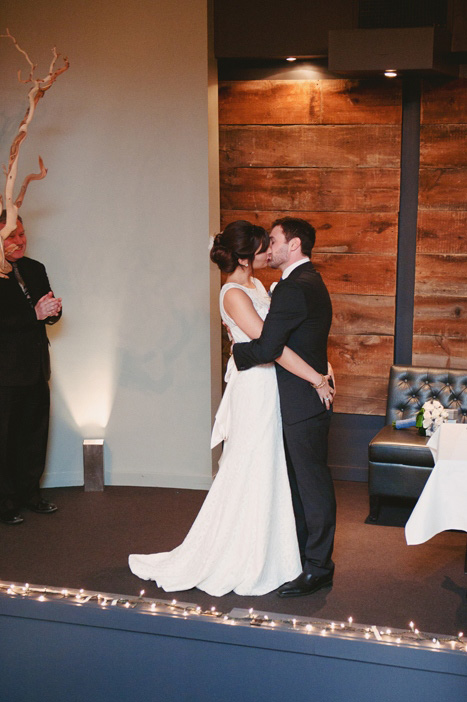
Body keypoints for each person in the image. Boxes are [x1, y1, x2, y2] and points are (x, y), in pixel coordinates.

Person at [129, 220, 334, 596]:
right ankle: (244, 552)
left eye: (271, 243)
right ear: (245, 255)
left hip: (274, 386)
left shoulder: (259, 285)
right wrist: (316, 377)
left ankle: (282, 551)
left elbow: (285, 335)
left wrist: (318, 370)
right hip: (255, 388)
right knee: (251, 465)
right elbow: (272, 345)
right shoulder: (233, 293)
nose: (268, 251)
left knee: (273, 470)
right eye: (262, 245)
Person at [233, 216, 336, 598]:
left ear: (293, 245)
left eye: (274, 241)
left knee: (311, 487)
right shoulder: (310, 279)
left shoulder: (294, 287)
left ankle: (319, 568)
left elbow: (266, 348)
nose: (268, 247)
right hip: (298, 397)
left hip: (300, 400)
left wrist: (234, 350)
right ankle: (304, 559)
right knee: (297, 484)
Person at [0, 213, 62, 525]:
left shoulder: (35, 268)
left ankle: (30, 494)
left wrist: (53, 311)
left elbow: (44, 313)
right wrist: (34, 315)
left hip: (37, 368)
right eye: (12, 236)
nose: (20, 241)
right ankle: (4, 503)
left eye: (22, 234)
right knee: (5, 438)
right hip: (5, 373)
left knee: (34, 436)